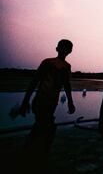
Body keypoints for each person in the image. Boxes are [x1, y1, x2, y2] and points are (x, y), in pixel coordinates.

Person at [18, 39, 76, 170]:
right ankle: (36, 153)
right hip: (41, 98)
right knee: (46, 126)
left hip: (52, 100)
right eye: (63, 47)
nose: (65, 50)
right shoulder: (47, 63)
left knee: (42, 125)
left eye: (67, 48)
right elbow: (35, 81)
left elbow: (66, 85)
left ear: (70, 51)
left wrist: (70, 102)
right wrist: (25, 100)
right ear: (57, 49)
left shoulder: (66, 66)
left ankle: (32, 151)